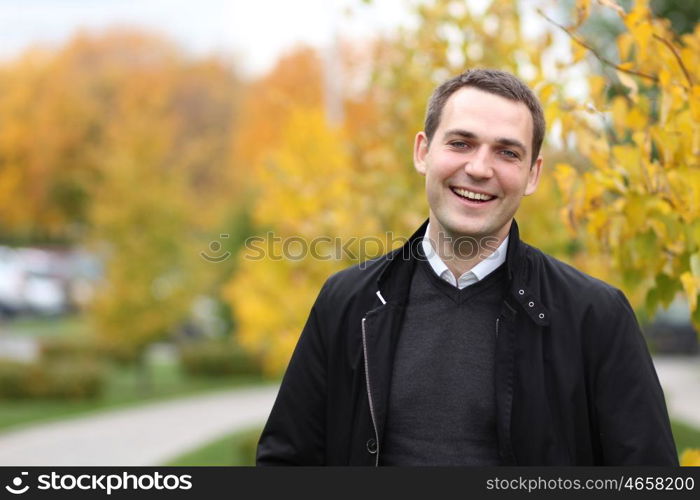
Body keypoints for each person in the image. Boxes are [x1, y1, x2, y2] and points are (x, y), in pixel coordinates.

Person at [256, 68, 678, 466]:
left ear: (533, 175)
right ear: (423, 151)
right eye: (460, 143)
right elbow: (286, 464)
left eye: (507, 152)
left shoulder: (596, 317)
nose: (478, 168)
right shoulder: (347, 302)